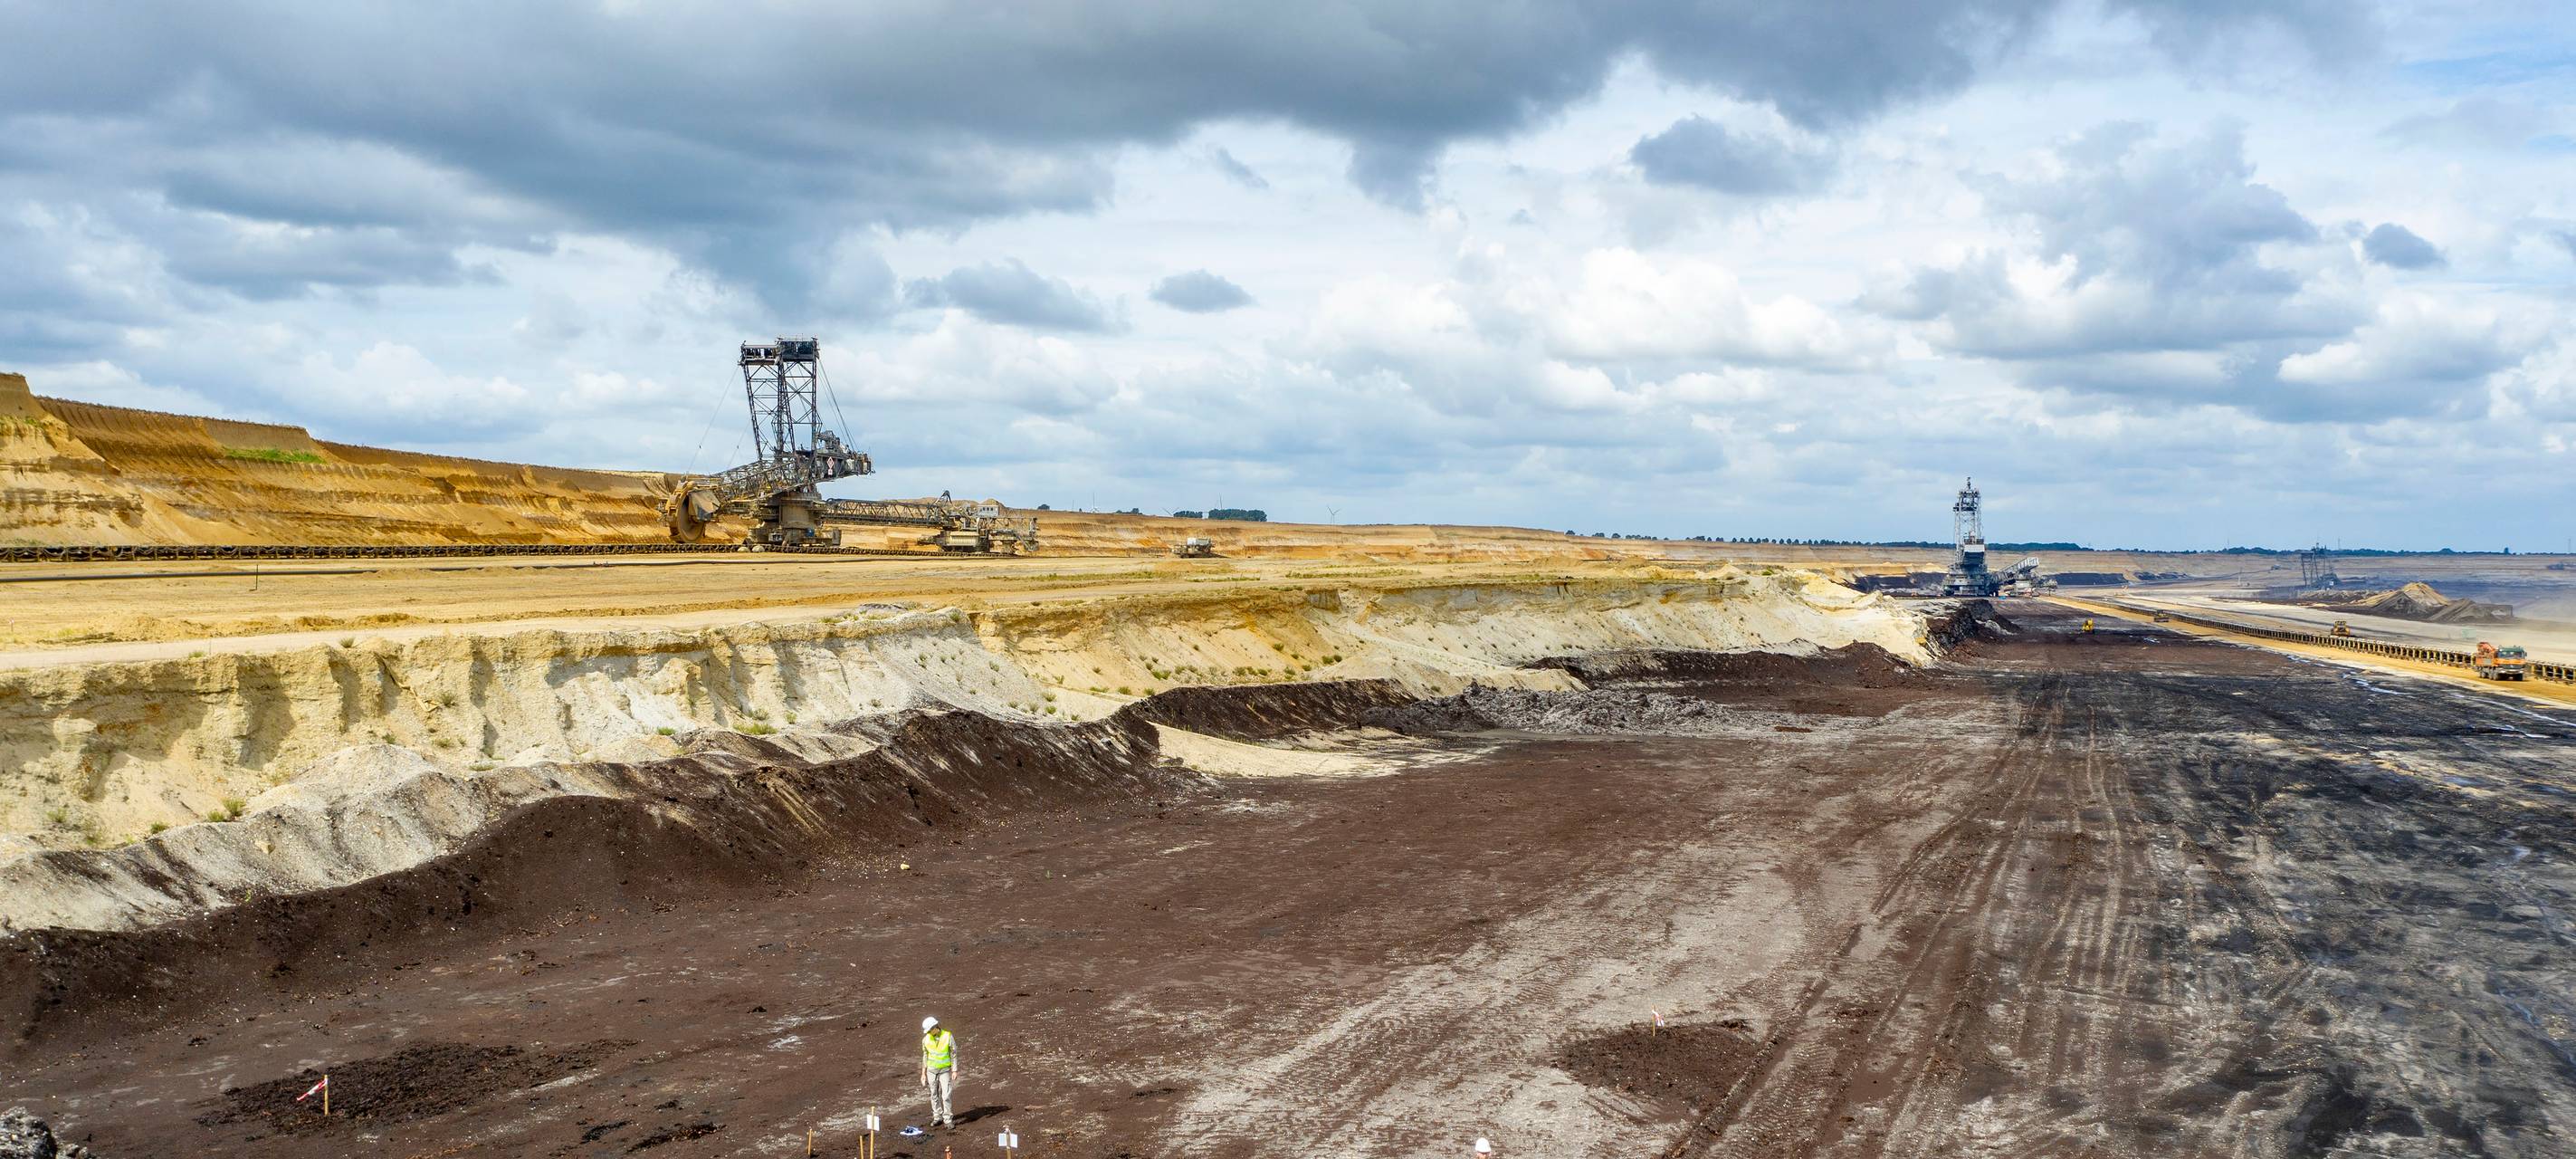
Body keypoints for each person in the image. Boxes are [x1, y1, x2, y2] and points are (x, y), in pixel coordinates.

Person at [920, 1016, 958, 1128]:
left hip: (944, 1070)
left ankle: (947, 1119)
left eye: (930, 1030)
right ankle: (937, 1117)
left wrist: (954, 1070)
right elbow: (925, 1056)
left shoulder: (948, 1036)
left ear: (935, 1027)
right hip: (931, 1071)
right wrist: (923, 1073)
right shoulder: (926, 1039)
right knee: (934, 1095)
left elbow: (954, 1053)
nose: (929, 1033)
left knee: (946, 1095)